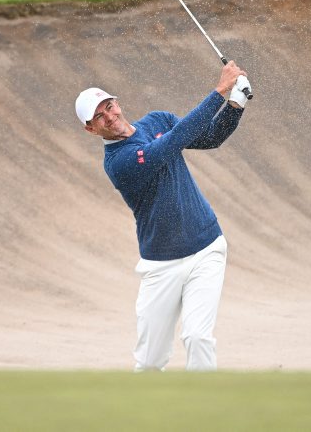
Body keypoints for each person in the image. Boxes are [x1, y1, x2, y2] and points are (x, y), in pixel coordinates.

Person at [75, 61, 251, 371]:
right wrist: (221, 90)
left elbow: (210, 136)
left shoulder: (157, 120)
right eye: (99, 116)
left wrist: (236, 103)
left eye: (109, 106)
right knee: (150, 362)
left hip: (206, 247)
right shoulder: (118, 163)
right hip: (161, 265)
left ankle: (207, 401)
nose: (109, 116)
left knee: (197, 337)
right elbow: (172, 142)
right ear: (91, 129)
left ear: (117, 103)